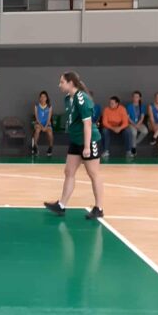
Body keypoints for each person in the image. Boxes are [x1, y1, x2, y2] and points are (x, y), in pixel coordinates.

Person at [44, 71, 105, 220]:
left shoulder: (82, 99)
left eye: (62, 82)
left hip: (89, 140)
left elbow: (88, 124)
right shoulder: (67, 98)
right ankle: (61, 205)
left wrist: (87, 147)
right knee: (69, 171)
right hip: (76, 140)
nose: (59, 85)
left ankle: (99, 208)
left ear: (71, 83)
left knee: (93, 173)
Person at [30, 91, 54, 156]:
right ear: (40, 98)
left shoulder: (49, 106)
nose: (43, 98)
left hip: (47, 123)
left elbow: (49, 118)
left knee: (50, 132)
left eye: (44, 97)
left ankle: (50, 147)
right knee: (37, 130)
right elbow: (37, 118)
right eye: (41, 97)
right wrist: (42, 126)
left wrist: (45, 126)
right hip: (39, 123)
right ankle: (35, 146)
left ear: (46, 98)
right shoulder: (36, 106)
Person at [125, 91, 148, 157]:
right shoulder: (129, 106)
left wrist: (138, 124)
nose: (135, 98)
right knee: (134, 132)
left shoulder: (142, 106)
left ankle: (135, 142)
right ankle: (133, 148)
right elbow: (128, 118)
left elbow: (142, 117)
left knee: (145, 131)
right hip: (131, 123)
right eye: (134, 97)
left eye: (137, 97)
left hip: (139, 123)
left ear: (140, 98)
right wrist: (134, 124)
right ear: (132, 98)